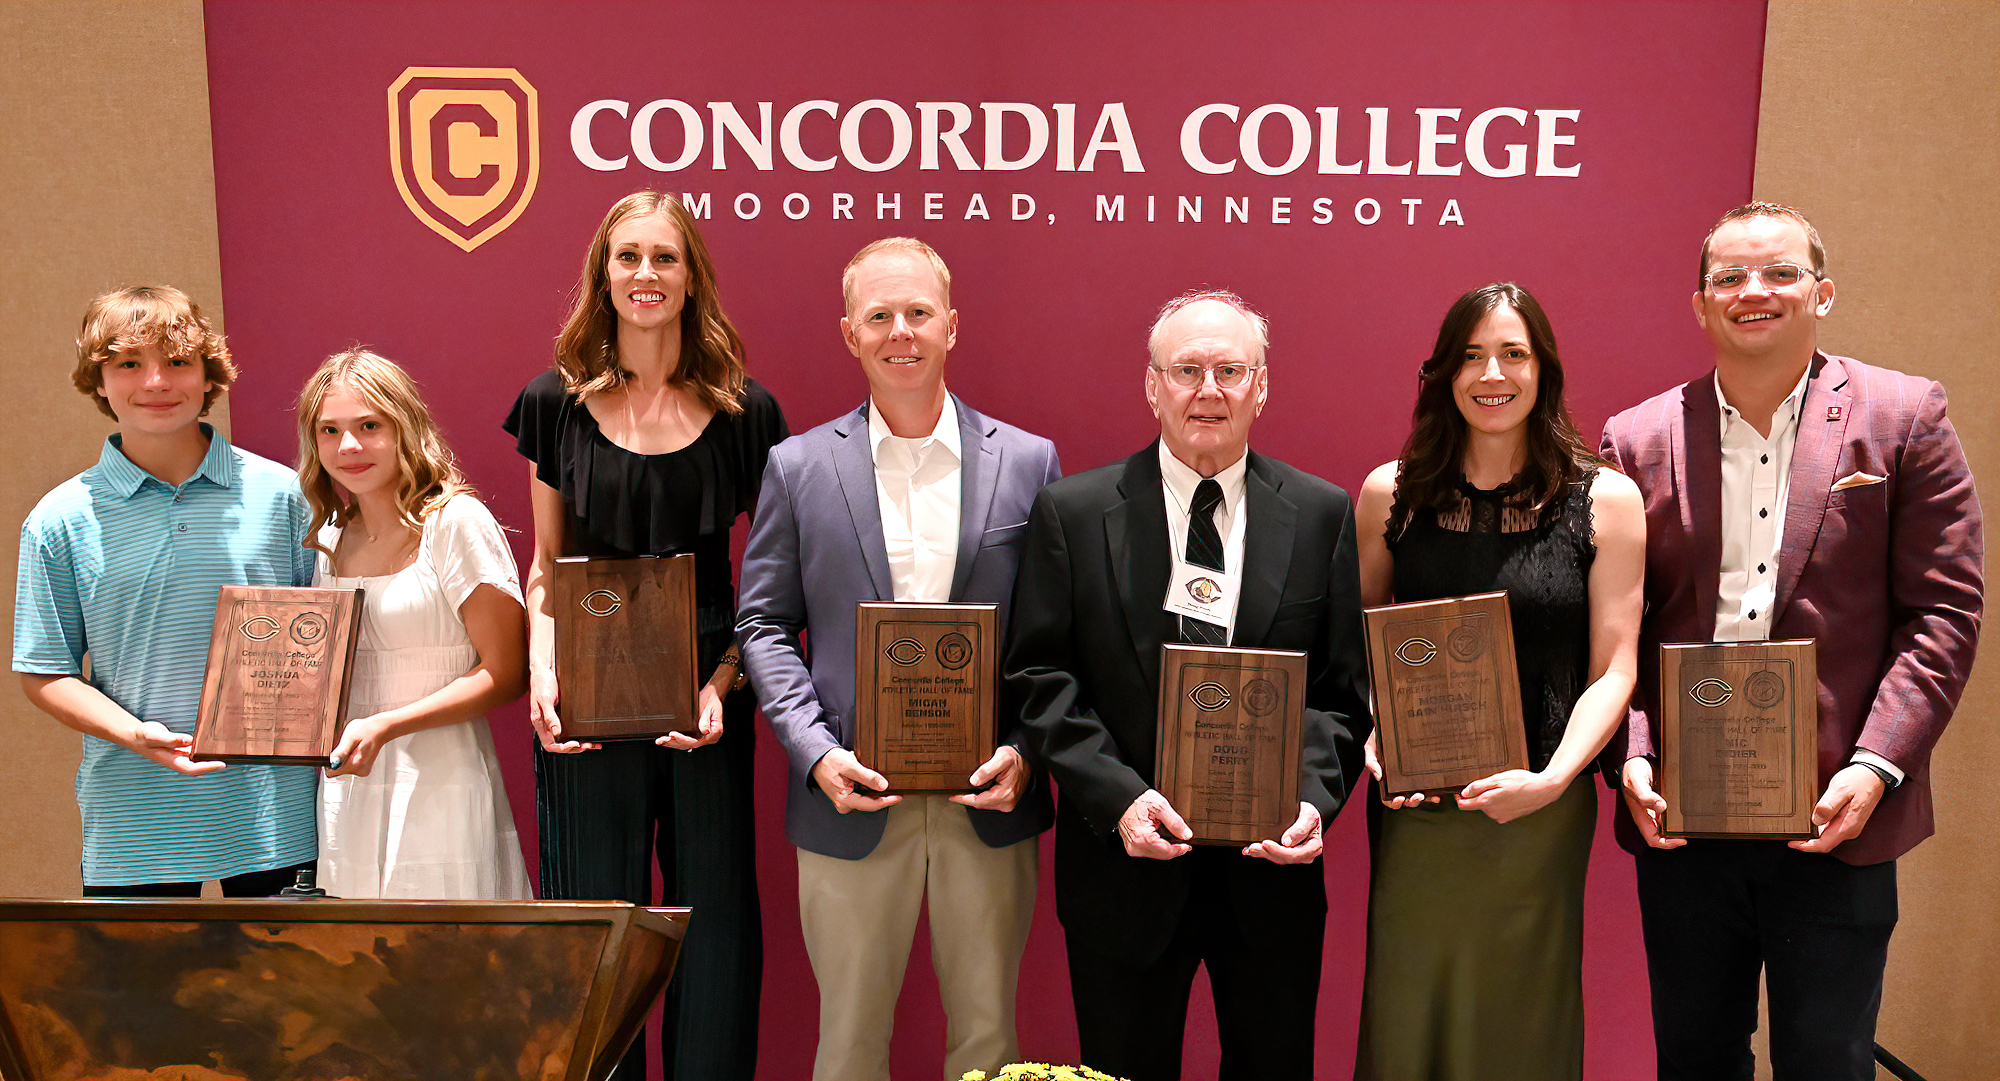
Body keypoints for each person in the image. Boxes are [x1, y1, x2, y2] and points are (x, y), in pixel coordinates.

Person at [1602, 202, 1982, 1080]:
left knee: (1827, 1059)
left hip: (1835, 808)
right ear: (1700, 305)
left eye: (1778, 273)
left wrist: (1876, 764)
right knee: (1695, 1058)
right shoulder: (1635, 437)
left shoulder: (1905, 415)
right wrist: (1636, 752)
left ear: (1823, 292)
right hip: (1683, 820)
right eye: (1728, 277)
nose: (1753, 292)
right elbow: (1616, 627)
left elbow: (1944, 612)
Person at [1005, 290, 1368, 1081]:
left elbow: (1342, 693)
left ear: (1261, 386)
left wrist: (1311, 799)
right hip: (1123, 873)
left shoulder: (1320, 515)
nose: (1209, 389)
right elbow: (1040, 677)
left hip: (1269, 877)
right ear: (1153, 386)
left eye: (1230, 370)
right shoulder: (1073, 512)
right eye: (1188, 370)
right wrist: (1120, 800)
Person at [736, 237, 1058, 1081]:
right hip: (849, 793)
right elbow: (764, 625)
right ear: (849, 332)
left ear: (952, 325)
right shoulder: (797, 467)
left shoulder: (1029, 463)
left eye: (918, 313)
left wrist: (1026, 750)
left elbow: (1055, 633)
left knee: (989, 1042)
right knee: (846, 1044)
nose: (900, 332)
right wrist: (815, 752)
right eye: (879, 315)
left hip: (986, 797)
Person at [503, 191, 788, 1080]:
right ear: (603, 276)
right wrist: (544, 675)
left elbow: (769, 588)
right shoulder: (552, 403)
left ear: (692, 275)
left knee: (714, 918)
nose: (645, 276)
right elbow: (546, 567)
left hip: (707, 686)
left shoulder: (747, 411)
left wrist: (723, 682)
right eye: (628, 258)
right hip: (584, 683)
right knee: (596, 921)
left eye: (664, 257)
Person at [1349, 283, 1645, 1079]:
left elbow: (1616, 665)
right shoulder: (1391, 493)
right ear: (1444, 372)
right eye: (1473, 354)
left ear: (1544, 369)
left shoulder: (1606, 500)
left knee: (1522, 1018)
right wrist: (1380, 726)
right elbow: (1364, 642)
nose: (1493, 373)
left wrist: (1553, 779)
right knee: (1410, 1005)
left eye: (1513, 353)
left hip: (1541, 809)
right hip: (1418, 811)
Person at [14, 285, 317, 896]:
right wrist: (134, 734)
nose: (156, 381)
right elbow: (44, 671)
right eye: (129, 363)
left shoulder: (284, 495)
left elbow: (327, 642)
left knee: (288, 995)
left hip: (276, 819)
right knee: (142, 995)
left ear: (209, 376)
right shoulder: (60, 518)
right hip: (133, 821)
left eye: (178, 362)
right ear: (98, 381)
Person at [298, 348, 531, 899]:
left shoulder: (455, 522)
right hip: (349, 786)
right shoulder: (329, 538)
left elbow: (507, 673)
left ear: (406, 426)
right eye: (329, 430)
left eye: (368, 426)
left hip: (440, 781)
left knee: (450, 968)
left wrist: (389, 725)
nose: (348, 447)